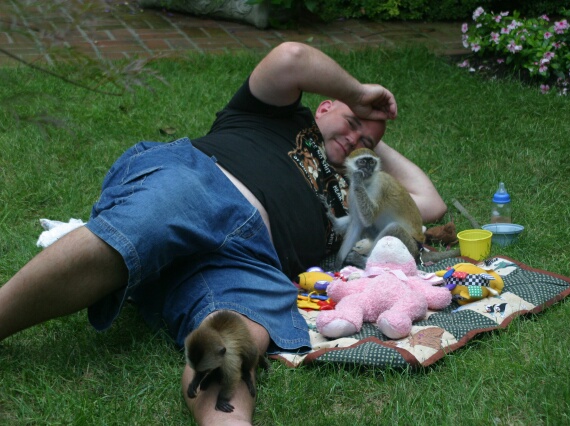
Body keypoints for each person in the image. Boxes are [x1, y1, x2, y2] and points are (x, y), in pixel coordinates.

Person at [0, 42, 446, 424]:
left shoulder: (354, 195)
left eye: (364, 142)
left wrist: (371, 137)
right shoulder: (275, 113)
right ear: (325, 105)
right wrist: (361, 97)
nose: (353, 139)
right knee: (136, 233)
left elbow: (430, 202)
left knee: (232, 339)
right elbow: (290, 57)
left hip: (251, 263)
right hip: (202, 186)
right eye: (350, 122)